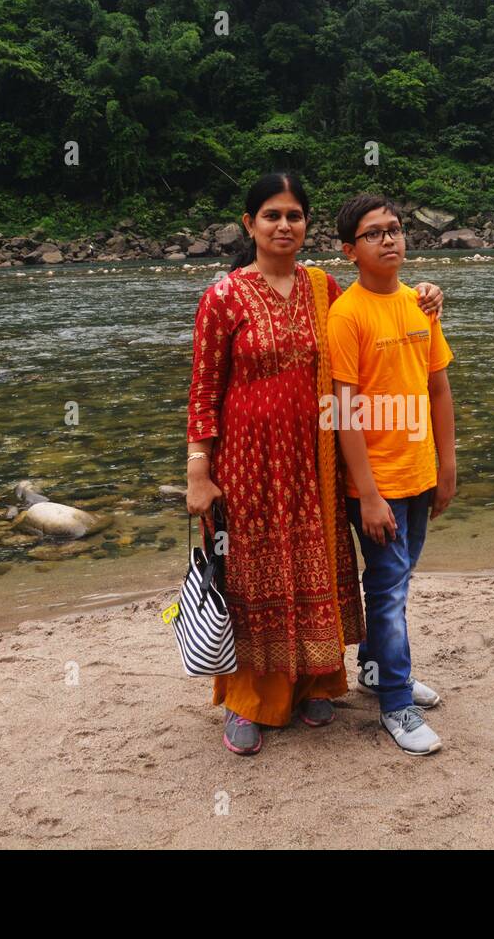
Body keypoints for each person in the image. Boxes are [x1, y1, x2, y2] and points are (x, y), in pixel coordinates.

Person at [184, 172, 445, 755]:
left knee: (315, 570)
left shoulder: (323, 286)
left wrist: (426, 292)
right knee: (253, 575)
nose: (284, 225)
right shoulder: (224, 296)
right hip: (249, 462)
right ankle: (248, 702)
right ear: (249, 224)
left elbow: (378, 292)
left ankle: (314, 684)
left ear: (307, 226)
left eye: (295, 215)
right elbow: (203, 390)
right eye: (272, 215)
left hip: (317, 458)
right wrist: (198, 470)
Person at [327, 193, 457, 755]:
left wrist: (447, 464)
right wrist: (370, 496)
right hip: (376, 486)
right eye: (374, 233)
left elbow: (437, 387)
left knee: (395, 585)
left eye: (396, 229)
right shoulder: (347, 314)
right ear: (349, 250)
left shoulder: (419, 304)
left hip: (420, 474)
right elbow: (343, 413)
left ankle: (377, 671)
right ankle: (396, 704)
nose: (389, 239)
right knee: (386, 592)